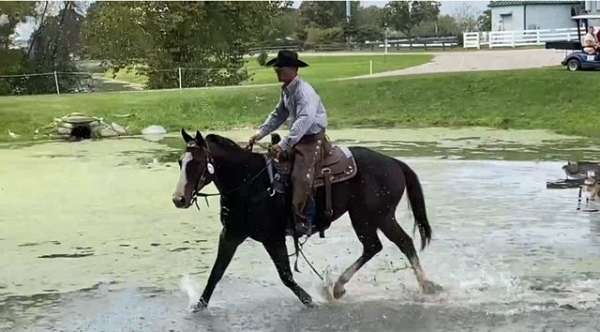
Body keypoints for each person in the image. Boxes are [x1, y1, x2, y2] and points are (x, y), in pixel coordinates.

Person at [248, 50, 328, 235]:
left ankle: (303, 221)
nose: (276, 69)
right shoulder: (286, 89)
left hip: (311, 140)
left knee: (300, 177)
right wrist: (260, 134)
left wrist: (284, 144)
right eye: (276, 67)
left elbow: (305, 120)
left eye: (280, 67)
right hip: (299, 138)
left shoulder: (304, 92)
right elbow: (278, 114)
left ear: (293, 69)